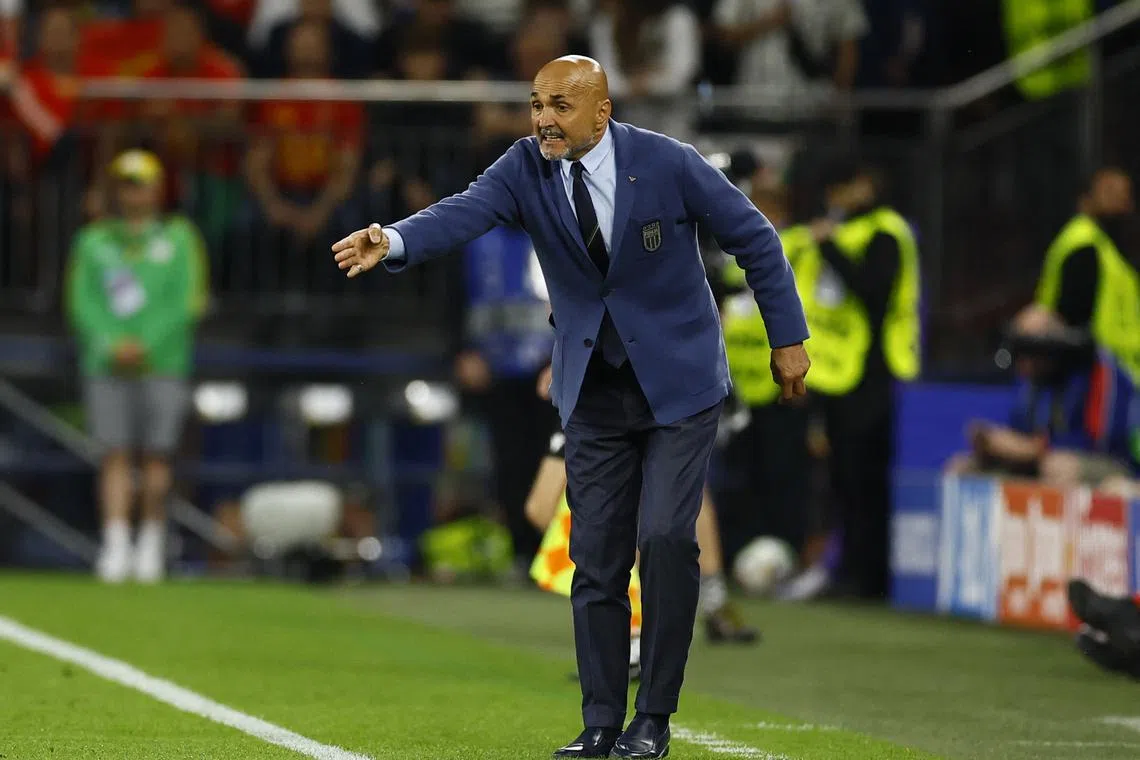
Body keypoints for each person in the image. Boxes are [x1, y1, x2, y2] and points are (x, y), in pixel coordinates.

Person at [332, 55, 809, 759]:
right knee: (595, 558)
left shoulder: (668, 162)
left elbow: (755, 239)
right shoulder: (523, 167)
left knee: (668, 540)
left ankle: (654, 719)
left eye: (560, 105)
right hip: (593, 389)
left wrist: (788, 338)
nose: (544, 120)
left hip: (677, 385)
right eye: (536, 105)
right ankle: (600, 723)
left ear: (601, 111)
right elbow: (461, 213)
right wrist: (394, 238)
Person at [64, 149, 208, 584]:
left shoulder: (180, 238)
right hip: (105, 364)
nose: (134, 192)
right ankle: (115, 543)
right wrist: (110, 342)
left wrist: (146, 343)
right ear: (115, 189)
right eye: (126, 183)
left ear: (158, 188)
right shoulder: (93, 241)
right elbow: (80, 300)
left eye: (141, 182)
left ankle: (150, 543)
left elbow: (189, 300)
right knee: (113, 455)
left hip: (162, 363)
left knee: (157, 457)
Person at [945, 305, 1139, 489]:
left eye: (1028, 353)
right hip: (1040, 461)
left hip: (1110, 466)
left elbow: (1102, 443)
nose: (1022, 364)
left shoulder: (1097, 372)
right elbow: (1021, 433)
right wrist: (996, 446)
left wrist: (1035, 450)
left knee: (1057, 467)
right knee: (962, 467)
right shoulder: (1032, 383)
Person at [1034, 167, 1140, 382]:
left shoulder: (1109, 249)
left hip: (1119, 376)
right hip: (1096, 379)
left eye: (1125, 194)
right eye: (1110, 192)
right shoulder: (1084, 244)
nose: (1121, 201)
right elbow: (1071, 319)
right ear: (1085, 199)